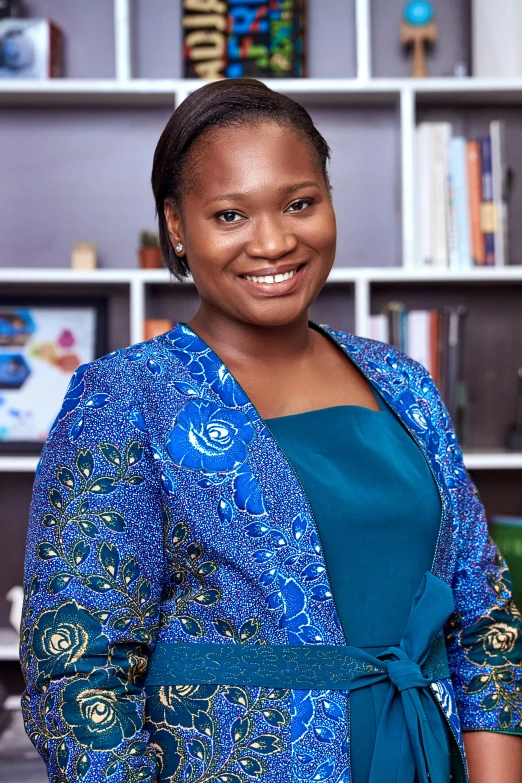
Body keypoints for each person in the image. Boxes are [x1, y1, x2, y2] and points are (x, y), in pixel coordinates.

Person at [21, 78, 521, 783]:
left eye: (299, 203)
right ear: (176, 225)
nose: (275, 241)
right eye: (230, 214)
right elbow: (77, 676)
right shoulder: (125, 398)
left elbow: (484, 620)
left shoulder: (402, 382)